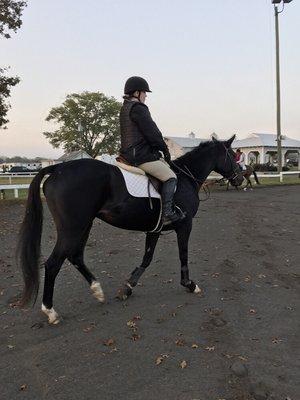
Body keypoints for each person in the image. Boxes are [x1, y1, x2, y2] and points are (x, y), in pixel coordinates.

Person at [119, 76, 185, 224]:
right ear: (136, 93)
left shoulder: (125, 108)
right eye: (144, 92)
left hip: (127, 154)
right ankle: (167, 212)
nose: (146, 95)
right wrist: (164, 149)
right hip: (139, 156)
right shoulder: (139, 108)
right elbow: (153, 133)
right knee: (170, 177)